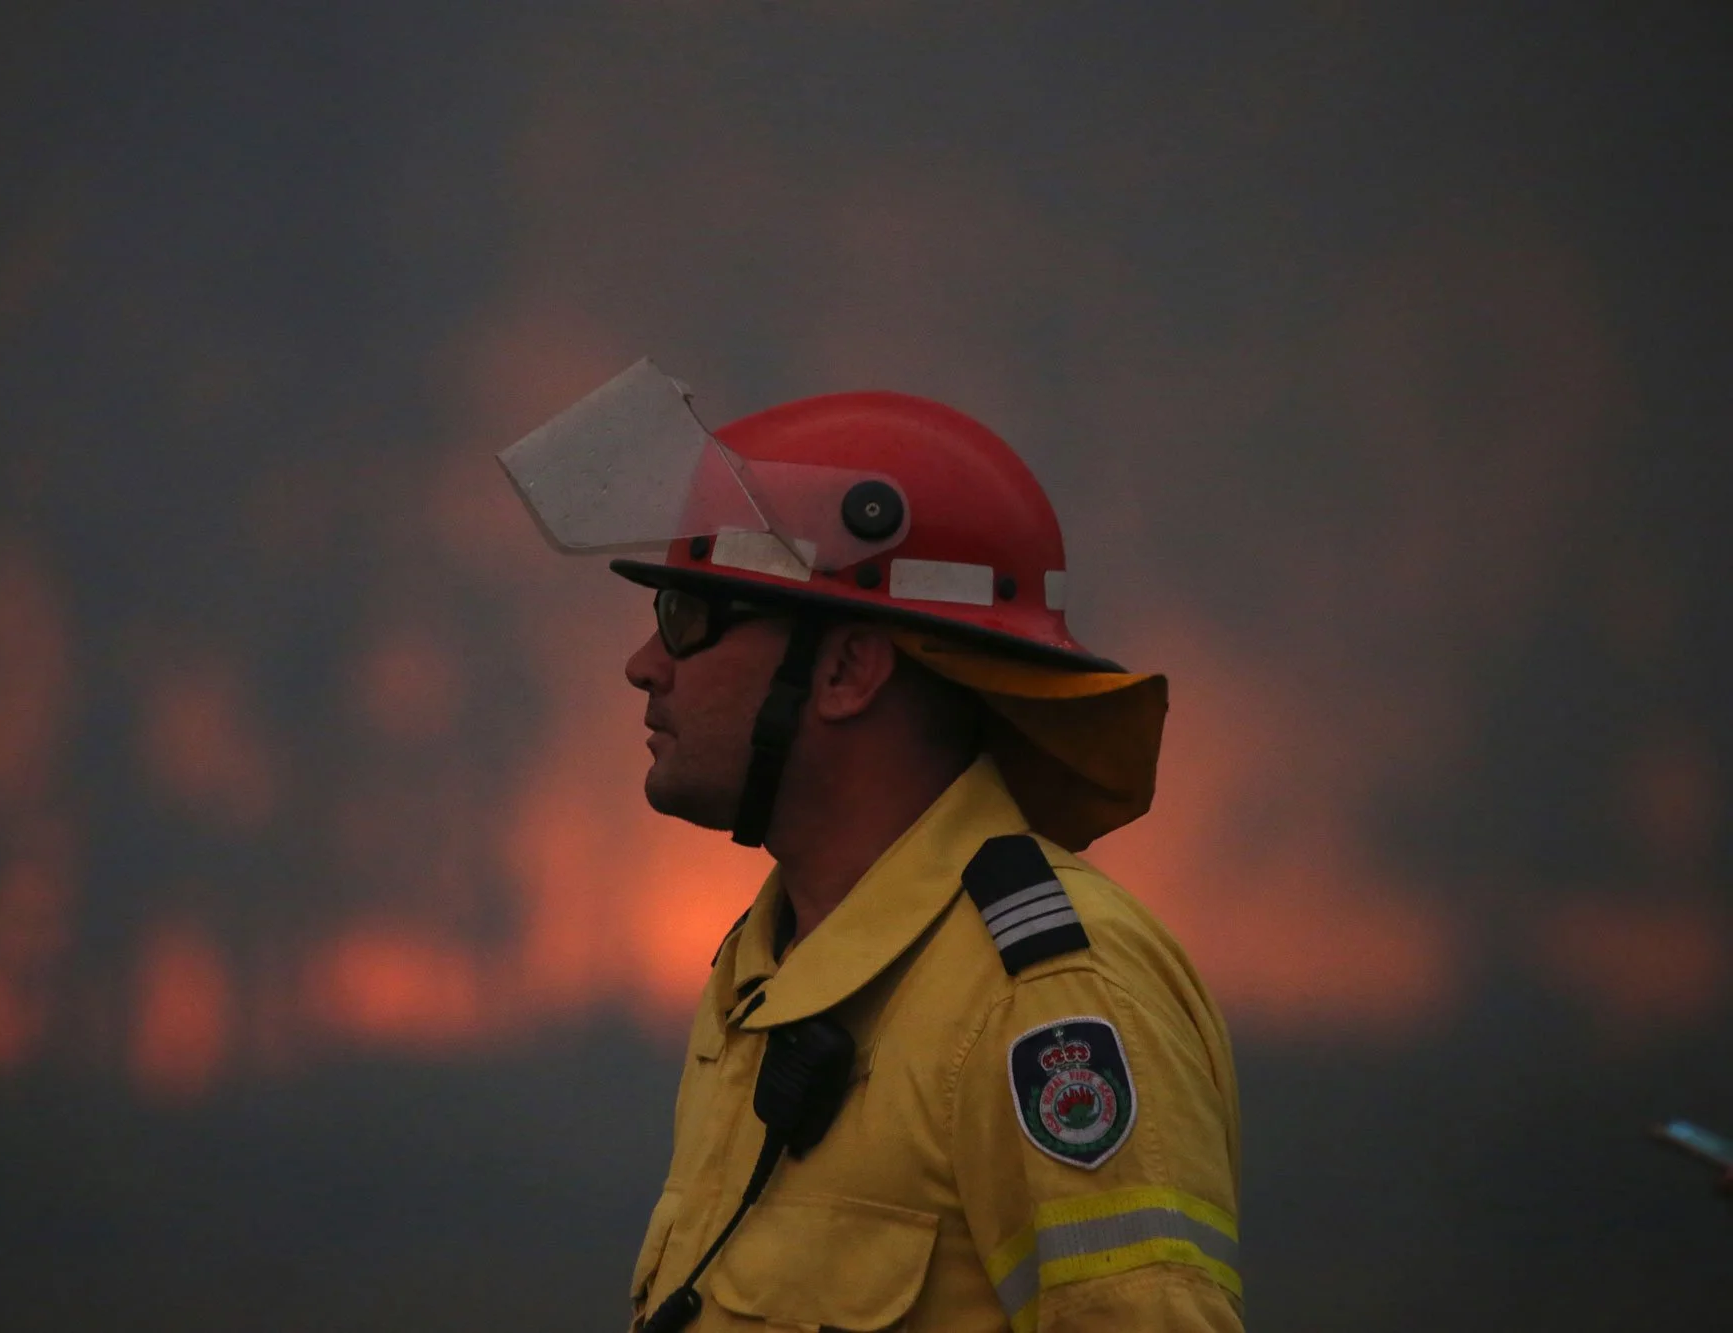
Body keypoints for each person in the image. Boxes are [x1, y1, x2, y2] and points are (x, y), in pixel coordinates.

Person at [500, 362, 1242, 1332]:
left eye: (685, 618)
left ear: (847, 667)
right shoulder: (762, 976)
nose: (642, 665)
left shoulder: (1045, 994)